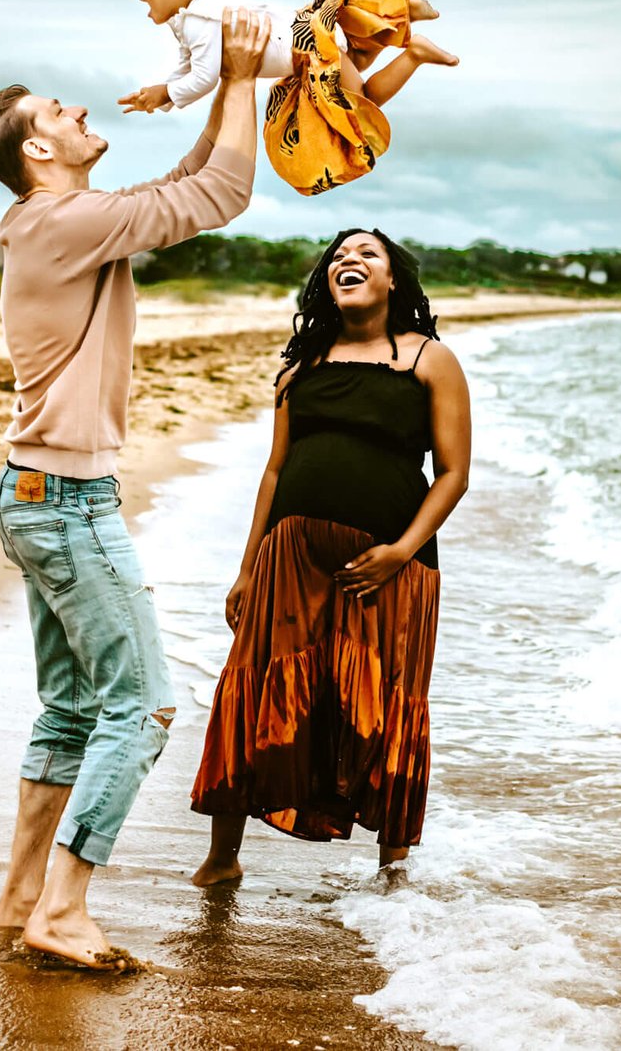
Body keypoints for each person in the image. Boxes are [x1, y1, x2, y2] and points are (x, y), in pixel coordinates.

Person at [0, 8, 272, 967]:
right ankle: (62, 908)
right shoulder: (63, 221)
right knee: (141, 706)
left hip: (35, 495)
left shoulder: (54, 223)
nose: (81, 107)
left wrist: (231, 84)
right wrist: (239, 76)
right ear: (39, 147)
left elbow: (186, 183)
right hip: (63, 503)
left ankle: (21, 895)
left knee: (69, 710)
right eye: (59, 107)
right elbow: (223, 191)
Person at [189, 229, 472, 883]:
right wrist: (246, 565)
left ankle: (392, 868)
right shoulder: (299, 367)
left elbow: (454, 472)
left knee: (384, 698)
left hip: (391, 567)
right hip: (289, 559)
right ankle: (222, 858)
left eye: (367, 253)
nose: (350, 259)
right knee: (255, 687)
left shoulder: (431, 360)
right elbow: (274, 470)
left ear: (394, 279)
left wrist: (399, 551)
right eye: (340, 255)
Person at [118, 0, 459, 196]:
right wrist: (163, 91)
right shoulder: (196, 16)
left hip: (306, 49)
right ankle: (400, 15)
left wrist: (166, 94)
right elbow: (188, 63)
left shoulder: (199, 23)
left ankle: (415, 52)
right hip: (303, 34)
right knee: (356, 58)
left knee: (362, 101)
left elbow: (204, 76)